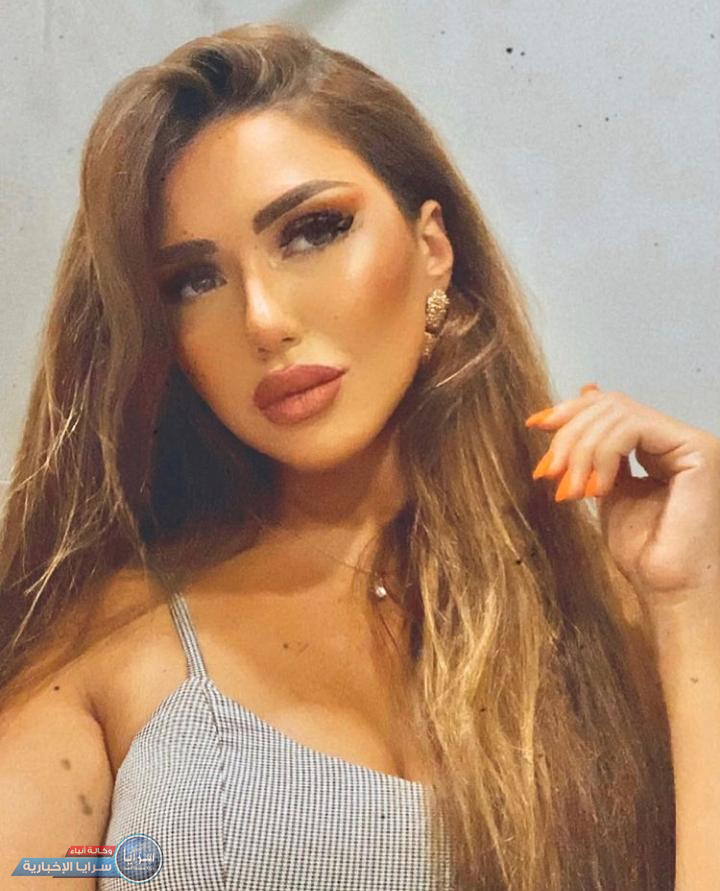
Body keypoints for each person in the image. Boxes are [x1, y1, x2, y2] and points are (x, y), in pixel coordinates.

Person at [1, 20, 719, 891]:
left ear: (433, 250)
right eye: (194, 280)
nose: (263, 319)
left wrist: (690, 603)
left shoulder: (618, 617)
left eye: (312, 231)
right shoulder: (99, 646)